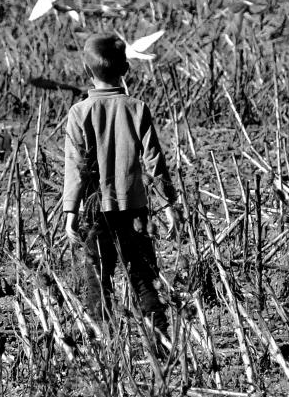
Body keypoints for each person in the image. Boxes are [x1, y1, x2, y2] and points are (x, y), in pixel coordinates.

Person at [62, 33, 180, 347]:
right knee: (143, 277)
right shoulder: (137, 108)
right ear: (126, 69)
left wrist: (70, 211)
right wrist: (169, 205)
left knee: (98, 281)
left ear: (88, 72)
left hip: (95, 213)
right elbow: (155, 159)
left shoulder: (79, 113)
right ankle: (160, 341)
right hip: (136, 211)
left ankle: (107, 344)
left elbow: (74, 165)